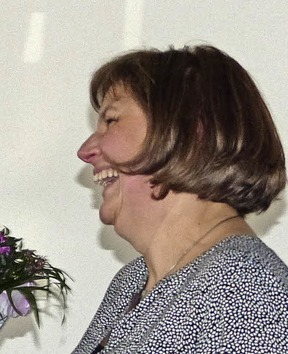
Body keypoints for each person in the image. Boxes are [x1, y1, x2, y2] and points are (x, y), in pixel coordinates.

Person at [72, 45, 288, 353]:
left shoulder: (245, 289)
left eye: (111, 120)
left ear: (189, 133)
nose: (86, 150)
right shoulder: (131, 282)